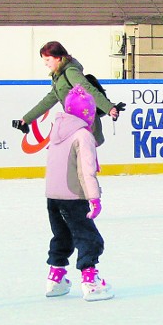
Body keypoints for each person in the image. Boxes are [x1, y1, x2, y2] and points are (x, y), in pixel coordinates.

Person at [44, 85, 113, 301]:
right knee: (89, 237)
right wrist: (94, 197)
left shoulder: (57, 130)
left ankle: (55, 279)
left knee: (62, 236)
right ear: (89, 114)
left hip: (53, 196)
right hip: (73, 195)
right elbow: (86, 169)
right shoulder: (83, 135)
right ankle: (91, 282)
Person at [14, 41, 122, 147]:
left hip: (86, 126)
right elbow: (47, 101)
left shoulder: (70, 72)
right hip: (75, 125)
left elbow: (88, 89)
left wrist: (109, 108)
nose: (45, 63)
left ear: (58, 57)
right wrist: (26, 119)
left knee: (82, 161)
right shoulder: (59, 77)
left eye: (48, 59)